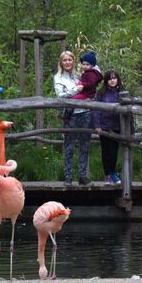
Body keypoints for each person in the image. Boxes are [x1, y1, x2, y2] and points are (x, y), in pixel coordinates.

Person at [53, 51, 94, 186]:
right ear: (61, 62)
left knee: (85, 145)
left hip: (85, 112)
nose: (67, 62)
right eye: (64, 60)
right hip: (70, 114)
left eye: (70, 60)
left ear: (73, 61)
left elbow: (89, 89)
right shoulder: (58, 78)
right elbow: (60, 95)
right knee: (69, 146)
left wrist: (89, 96)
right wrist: (77, 90)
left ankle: (82, 175)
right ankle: (68, 176)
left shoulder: (80, 75)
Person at [94, 69, 126, 186]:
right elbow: (97, 110)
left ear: (117, 79)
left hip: (117, 127)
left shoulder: (122, 92)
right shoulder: (101, 93)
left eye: (114, 78)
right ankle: (107, 175)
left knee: (114, 152)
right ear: (106, 81)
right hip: (104, 126)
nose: (112, 81)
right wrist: (97, 125)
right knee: (106, 152)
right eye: (110, 79)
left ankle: (113, 173)